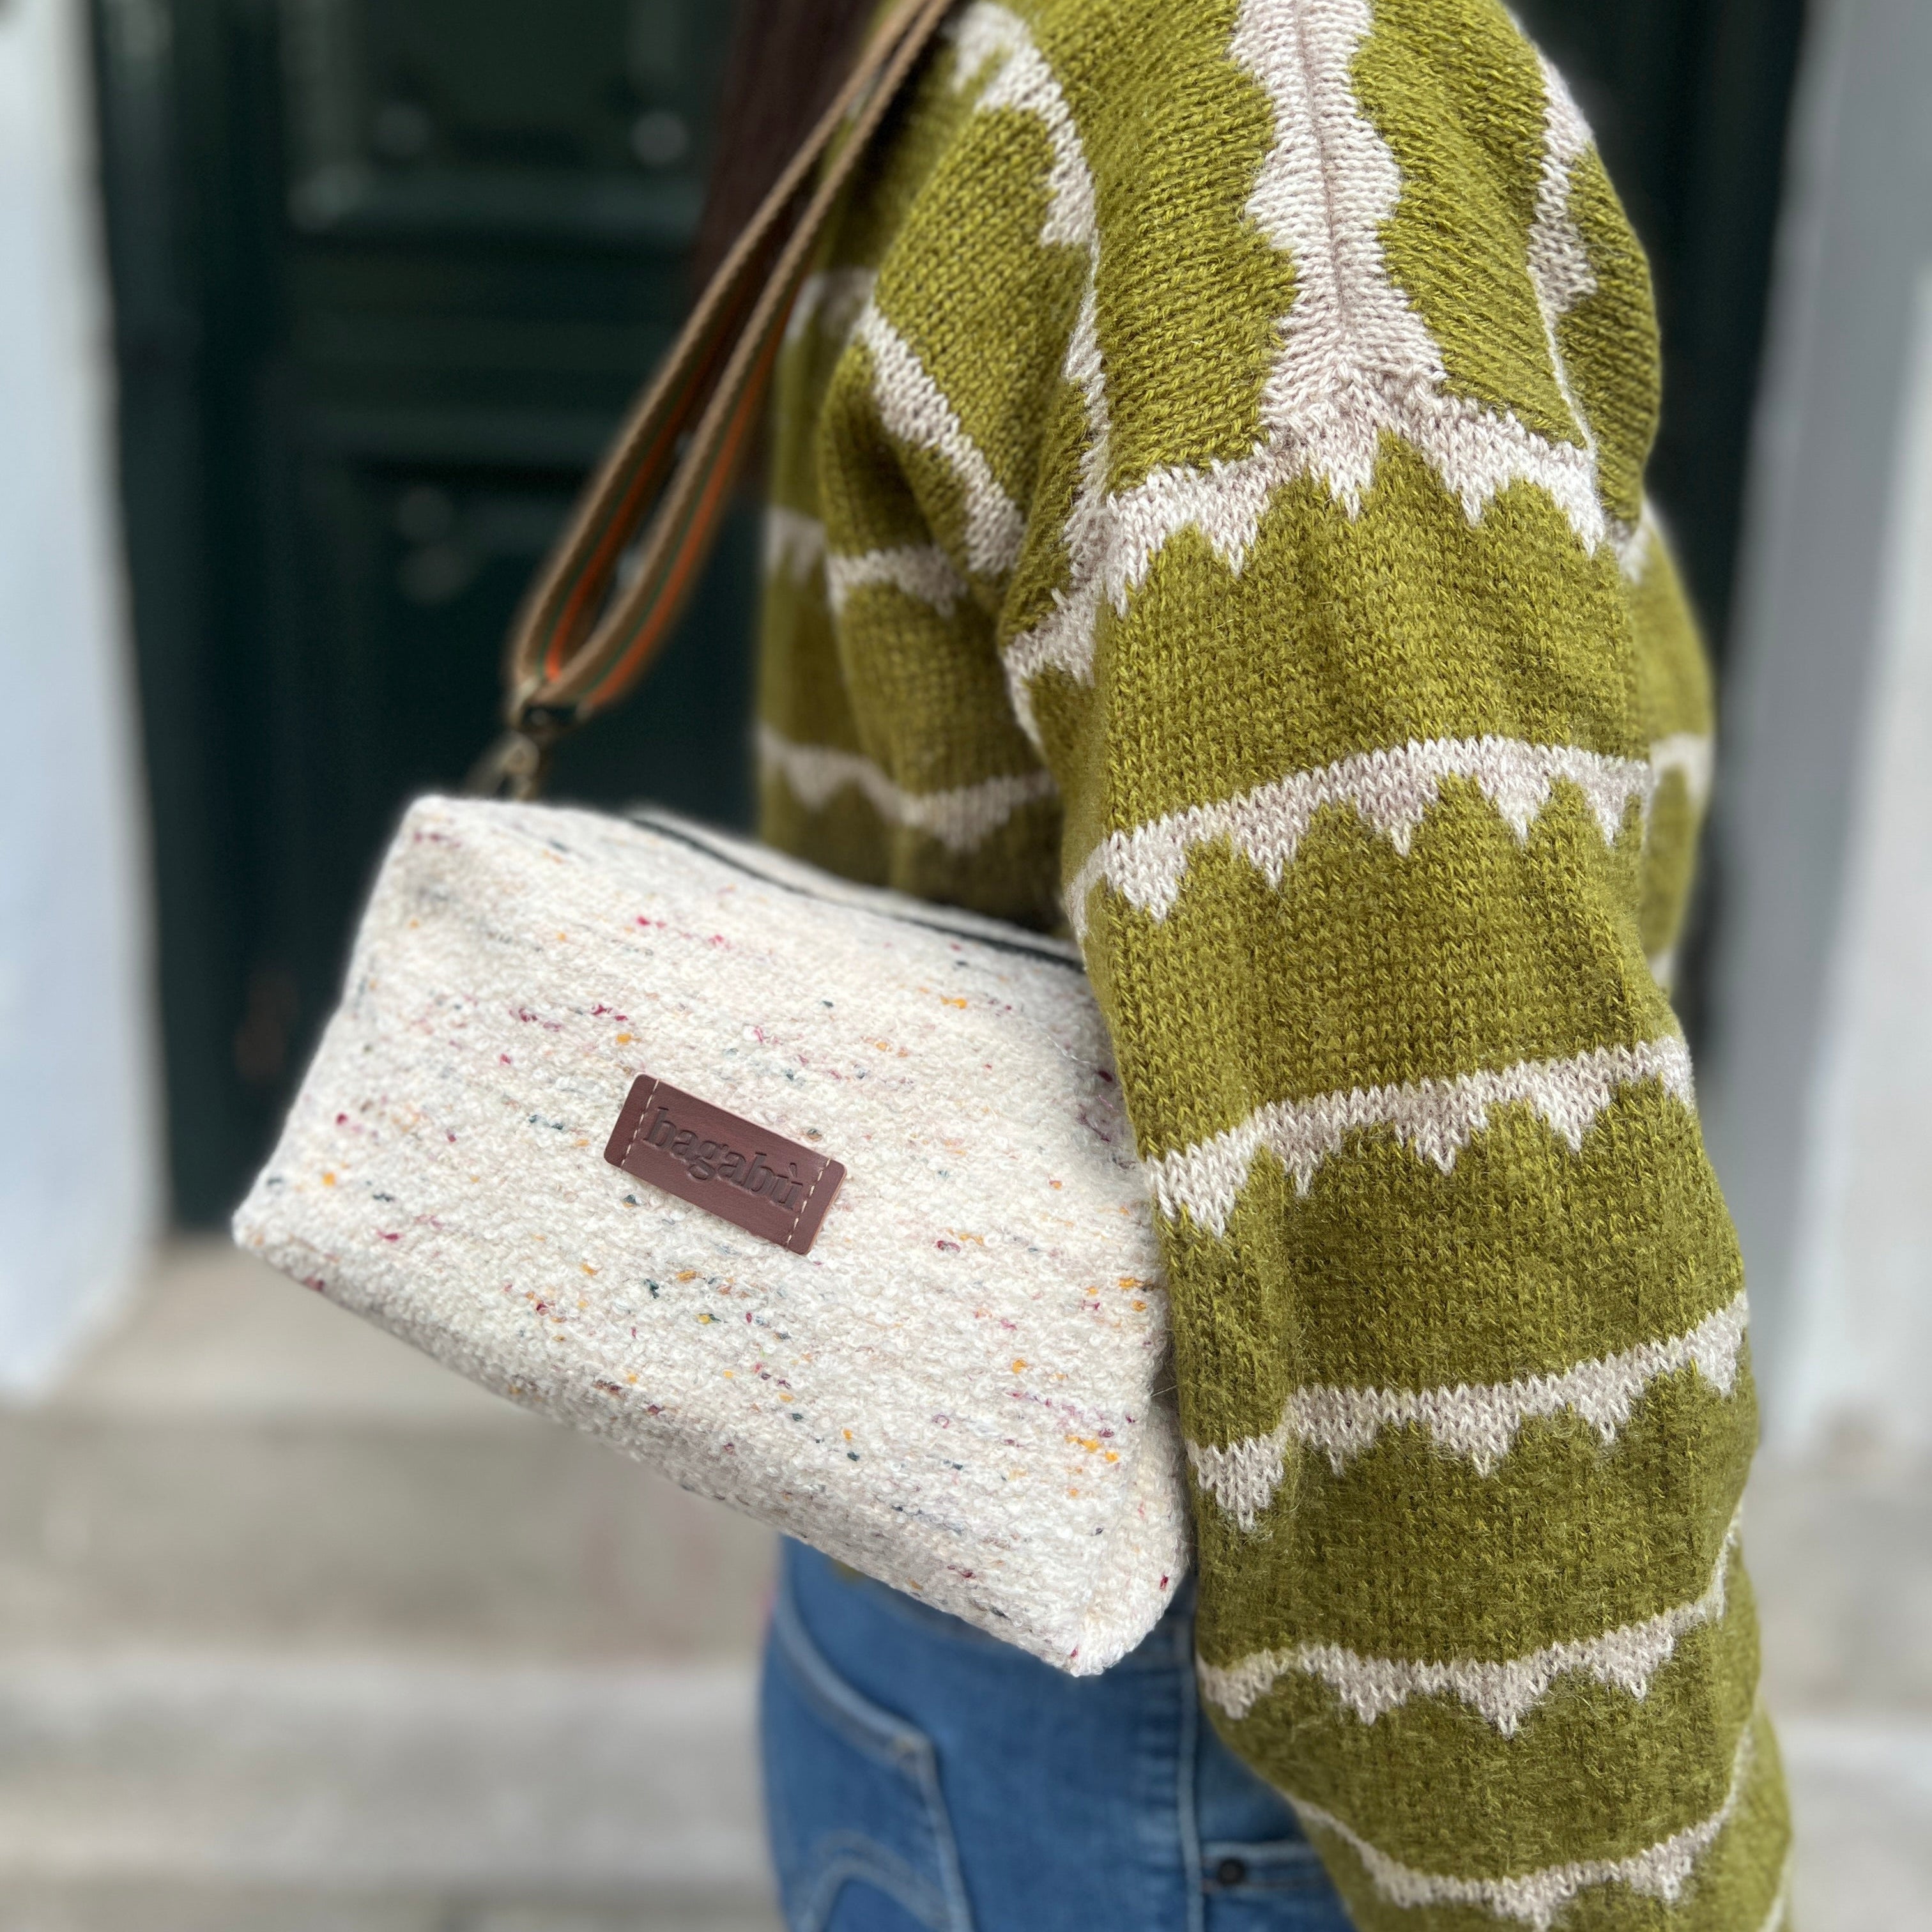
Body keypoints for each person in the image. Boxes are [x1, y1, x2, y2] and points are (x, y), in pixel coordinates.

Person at [699, 1, 1795, 1926]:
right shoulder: (1271, 95)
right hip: (1196, 1764)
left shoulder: (984, 40)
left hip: (922, 1647)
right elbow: (1449, 1206)